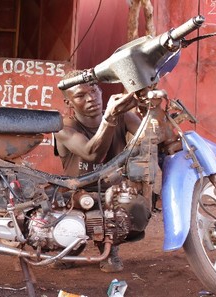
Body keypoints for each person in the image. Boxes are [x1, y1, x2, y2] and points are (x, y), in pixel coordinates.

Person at [54, 70, 141, 272]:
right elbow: (92, 154)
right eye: (80, 95)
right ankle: (72, 245)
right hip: (77, 195)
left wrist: (147, 107)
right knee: (73, 212)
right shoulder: (63, 128)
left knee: (127, 202)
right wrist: (110, 117)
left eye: (94, 90)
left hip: (112, 193)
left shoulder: (124, 117)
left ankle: (109, 247)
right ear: (69, 103)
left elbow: (152, 136)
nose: (91, 98)